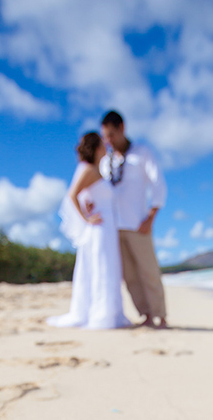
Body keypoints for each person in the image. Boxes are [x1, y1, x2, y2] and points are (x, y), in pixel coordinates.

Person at [48, 131, 130, 330]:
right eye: (102, 144)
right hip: (99, 228)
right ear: (96, 148)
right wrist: (86, 217)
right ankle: (102, 315)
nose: (105, 146)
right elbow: (72, 195)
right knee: (101, 268)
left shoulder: (98, 171)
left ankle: (111, 313)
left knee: (109, 268)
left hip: (108, 228)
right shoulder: (88, 170)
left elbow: (87, 196)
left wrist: (88, 206)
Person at [100, 110, 168, 328]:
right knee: (129, 276)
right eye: (105, 137)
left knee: (149, 271)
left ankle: (160, 315)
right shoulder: (105, 162)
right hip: (114, 227)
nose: (109, 141)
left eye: (111, 135)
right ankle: (145, 315)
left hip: (138, 224)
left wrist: (151, 217)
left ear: (122, 128)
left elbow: (158, 184)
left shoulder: (142, 153)